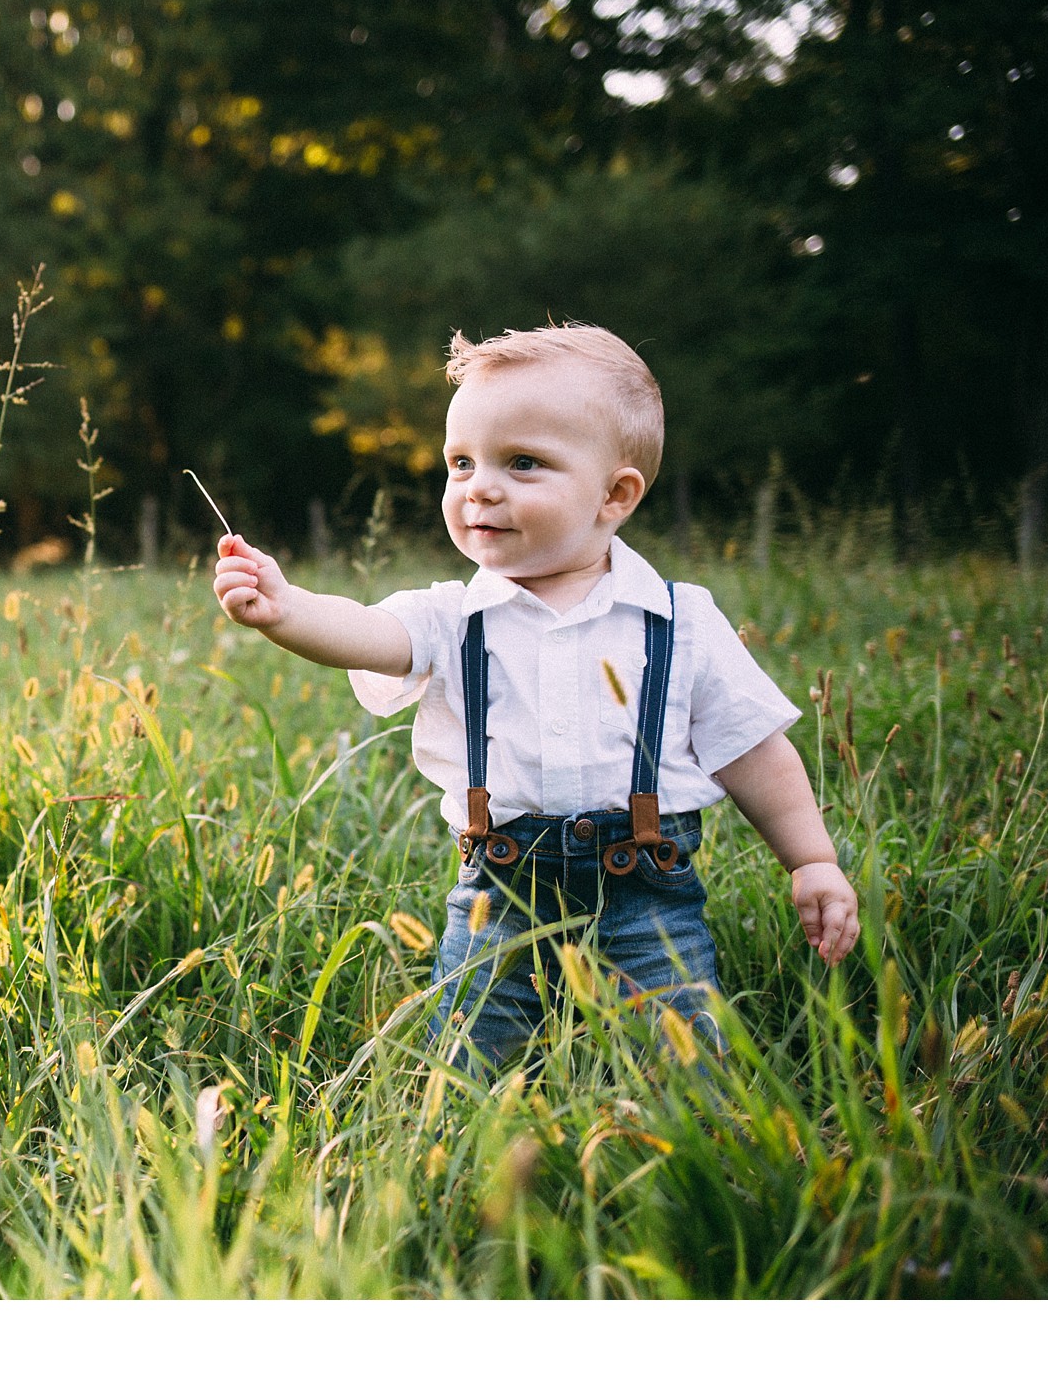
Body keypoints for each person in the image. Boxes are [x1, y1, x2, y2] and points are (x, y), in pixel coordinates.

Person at [211, 324, 857, 1072]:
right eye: (461, 462)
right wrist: (287, 611)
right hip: (499, 894)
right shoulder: (451, 614)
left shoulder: (681, 622)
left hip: (644, 895)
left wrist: (810, 858)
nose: (479, 486)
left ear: (615, 494)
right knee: (462, 1070)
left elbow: (753, 750)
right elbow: (367, 631)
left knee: (689, 1068)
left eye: (523, 463)